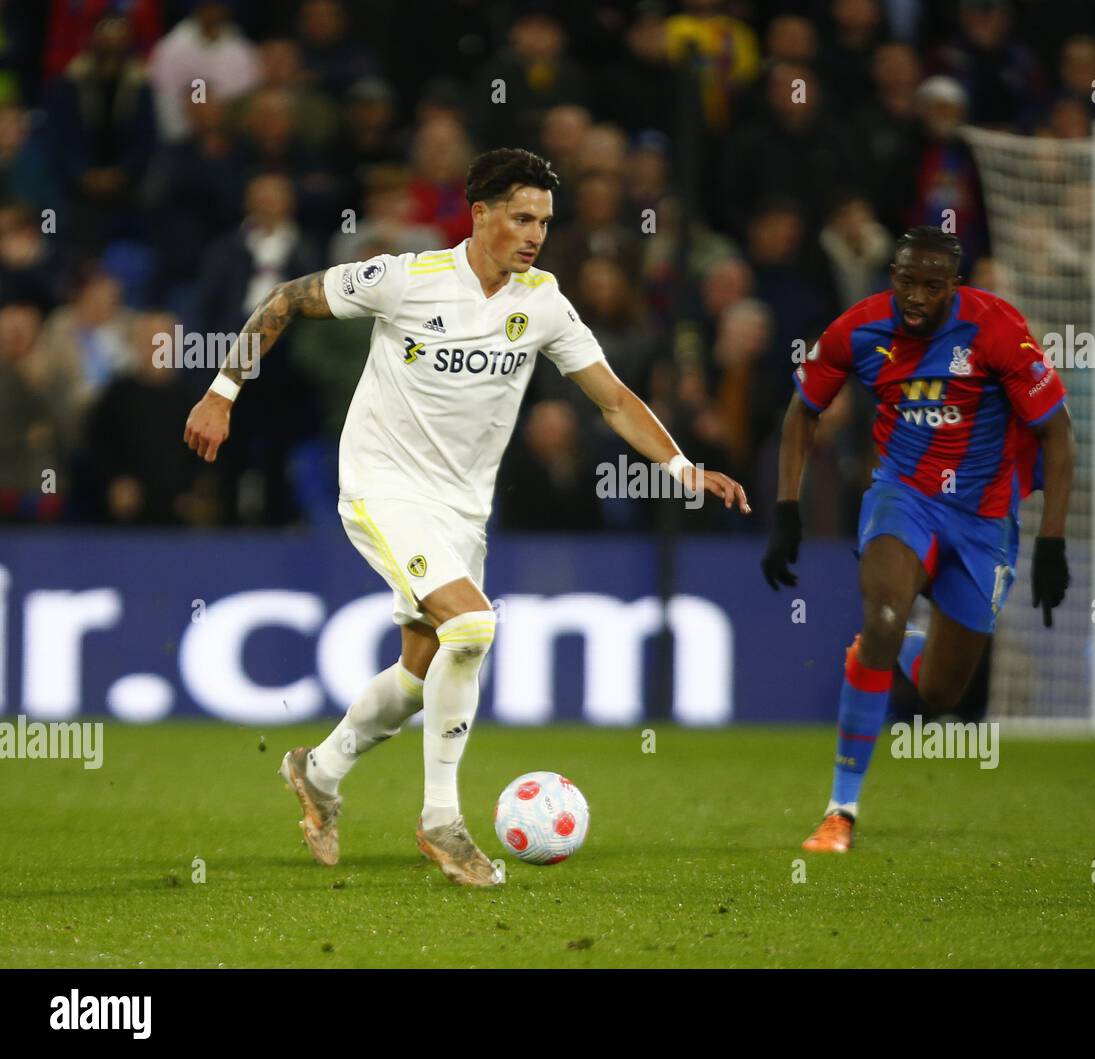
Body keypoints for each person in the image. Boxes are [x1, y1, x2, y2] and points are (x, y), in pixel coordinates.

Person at [183, 148, 749, 885]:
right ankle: (442, 821)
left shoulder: (542, 301)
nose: (535, 234)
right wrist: (222, 391)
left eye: (544, 220)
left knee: (420, 674)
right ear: (479, 215)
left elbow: (611, 397)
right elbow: (288, 297)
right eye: (521, 217)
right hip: (382, 485)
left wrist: (682, 468)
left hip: (460, 508)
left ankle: (318, 769)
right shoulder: (406, 278)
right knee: (474, 625)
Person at [761, 226, 1073, 853]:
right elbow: (802, 412)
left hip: (984, 519)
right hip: (903, 498)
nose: (917, 296)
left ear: (955, 286)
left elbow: (1058, 435)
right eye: (906, 281)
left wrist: (1052, 543)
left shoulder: (997, 329)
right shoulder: (858, 329)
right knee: (880, 613)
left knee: (940, 694)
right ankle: (839, 812)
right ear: (893, 275)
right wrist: (786, 511)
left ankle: (897, 646)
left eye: (933, 286)